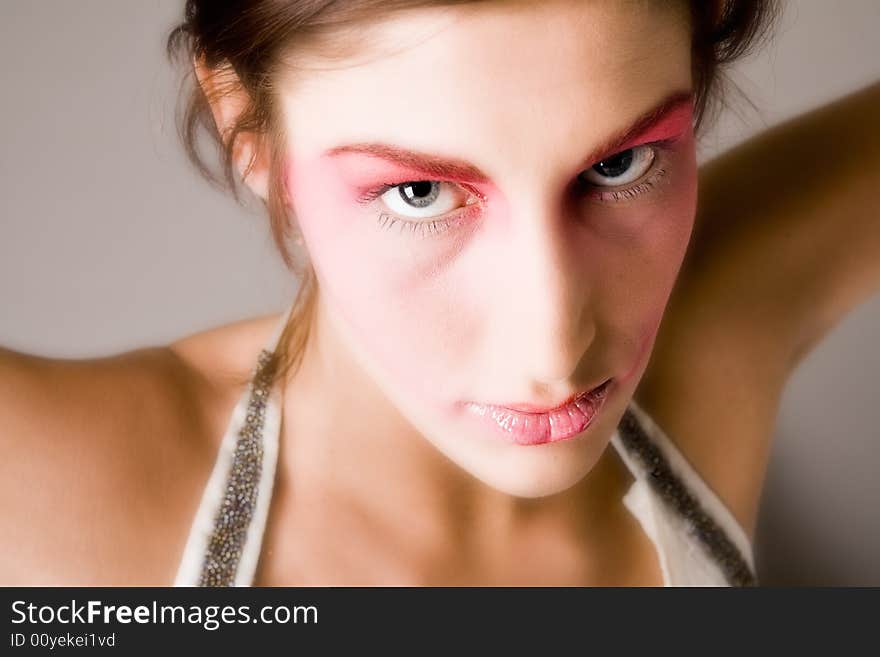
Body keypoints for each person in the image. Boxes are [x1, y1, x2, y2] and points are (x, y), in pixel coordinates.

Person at [1, 0, 878, 587]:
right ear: (247, 130)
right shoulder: (46, 488)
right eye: (418, 193)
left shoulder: (727, 313)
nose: (552, 348)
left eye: (620, 165)